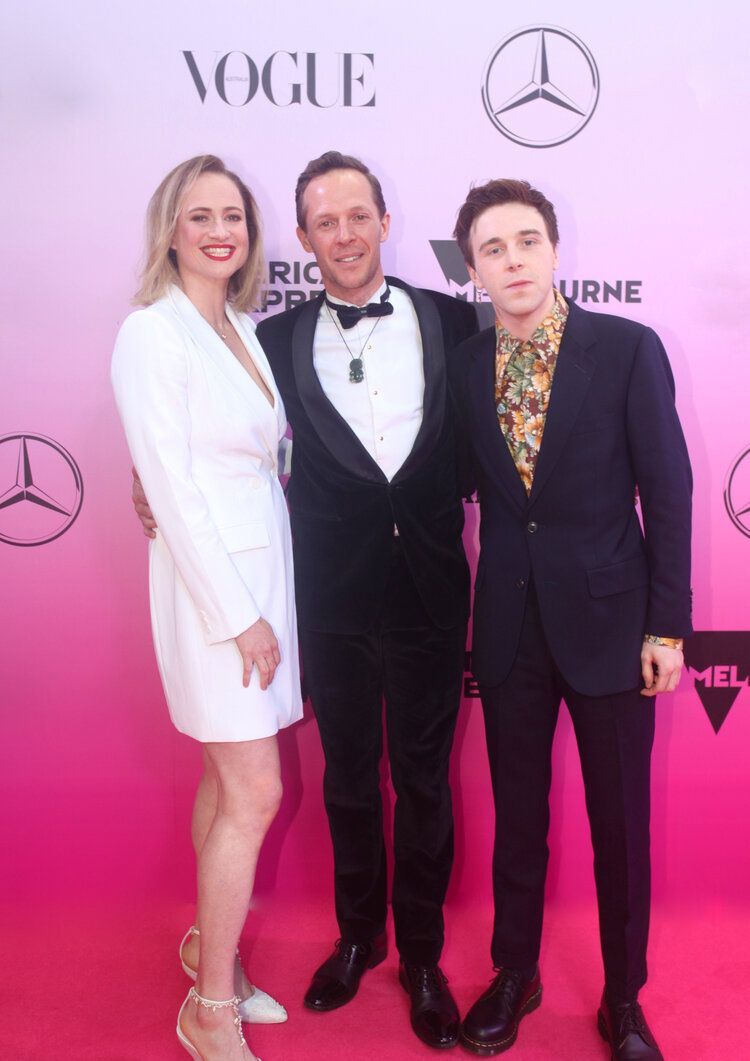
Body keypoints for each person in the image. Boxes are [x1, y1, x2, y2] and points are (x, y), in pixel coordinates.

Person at [134, 150, 479, 1049]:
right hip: (323, 599)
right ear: (301, 238)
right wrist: (148, 487)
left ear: (384, 220)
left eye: (358, 216)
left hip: (434, 596)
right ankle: (357, 937)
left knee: (427, 783)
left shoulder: (451, 320)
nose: (345, 235)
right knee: (349, 784)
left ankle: (426, 957)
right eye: (325, 222)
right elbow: (192, 441)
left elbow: (491, 452)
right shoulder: (271, 338)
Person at [449, 179, 692, 1059]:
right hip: (510, 628)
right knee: (519, 819)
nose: (512, 260)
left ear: (555, 250)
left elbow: (667, 490)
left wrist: (667, 628)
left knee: (620, 826)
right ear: (472, 269)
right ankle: (515, 972)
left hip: (613, 624)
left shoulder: (625, 348)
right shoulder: (466, 366)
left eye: (526, 241)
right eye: (492, 248)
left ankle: (624, 998)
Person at [112, 155, 303, 1061]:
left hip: (264, 582)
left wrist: (263, 607)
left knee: (227, 783)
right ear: (171, 230)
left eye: (233, 214)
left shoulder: (240, 326)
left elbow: (254, 462)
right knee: (256, 788)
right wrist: (237, 615)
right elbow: (174, 488)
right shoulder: (152, 332)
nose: (219, 229)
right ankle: (210, 1009)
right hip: (213, 595)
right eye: (200, 216)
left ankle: (205, 948)